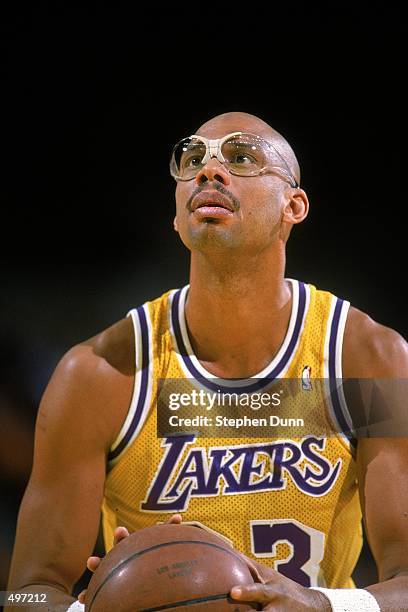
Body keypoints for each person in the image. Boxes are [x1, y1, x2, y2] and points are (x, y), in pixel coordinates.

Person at [6, 112, 408, 611]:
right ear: (176, 218)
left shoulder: (364, 360)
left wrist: (323, 606)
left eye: (240, 158)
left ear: (294, 205)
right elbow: (24, 591)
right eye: (192, 160)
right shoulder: (101, 374)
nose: (207, 171)